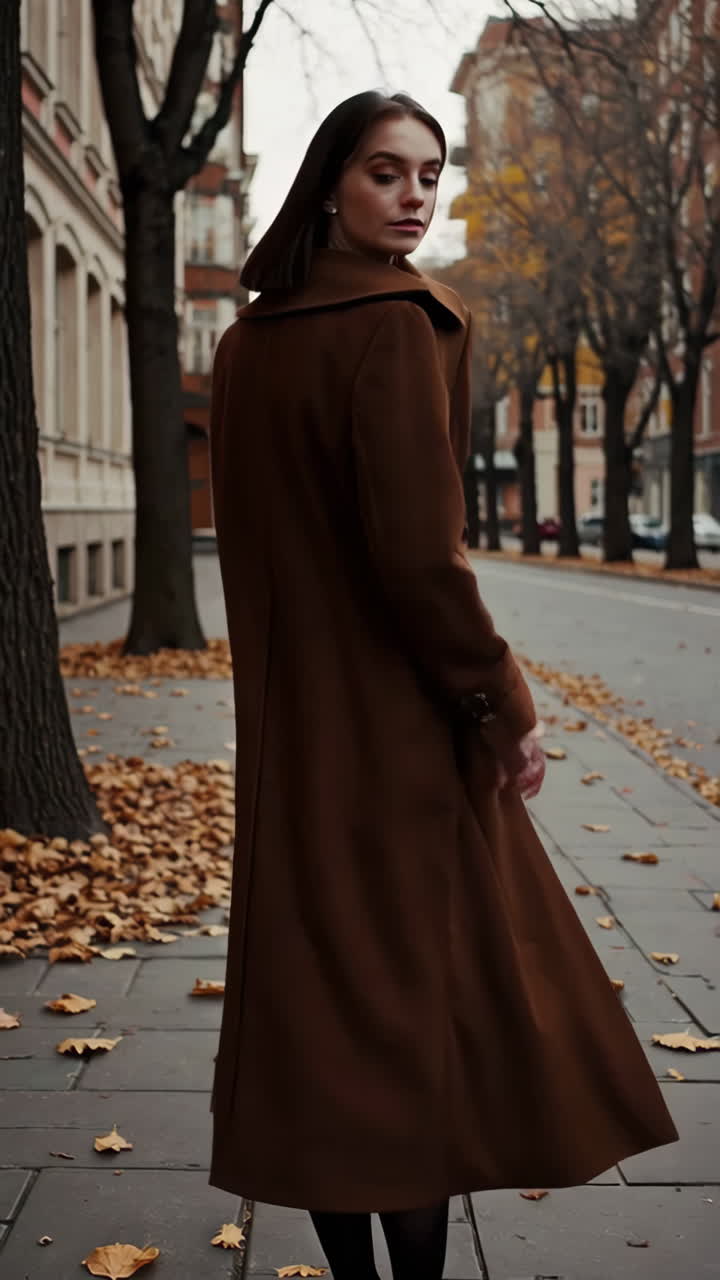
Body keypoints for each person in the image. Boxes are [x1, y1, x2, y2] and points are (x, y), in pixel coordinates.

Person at [208, 91, 677, 1280]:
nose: (416, 195)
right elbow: (422, 560)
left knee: (320, 1013)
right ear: (329, 183)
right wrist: (502, 708)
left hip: (286, 741)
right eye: (385, 172)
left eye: (430, 173)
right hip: (398, 737)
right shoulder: (397, 327)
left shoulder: (247, 341)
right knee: (417, 1015)